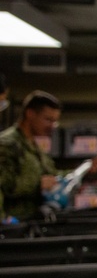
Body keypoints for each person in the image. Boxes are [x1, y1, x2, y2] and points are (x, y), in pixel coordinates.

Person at [0, 90, 63, 221]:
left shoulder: (34, 146)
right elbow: (5, 185)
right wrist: (37, 184)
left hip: (32, 221)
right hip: (12, 224)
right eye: (48, 120)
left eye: (54, 121)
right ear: (30, 114)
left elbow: (50, 173)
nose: (52, 126)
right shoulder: (7, 143)